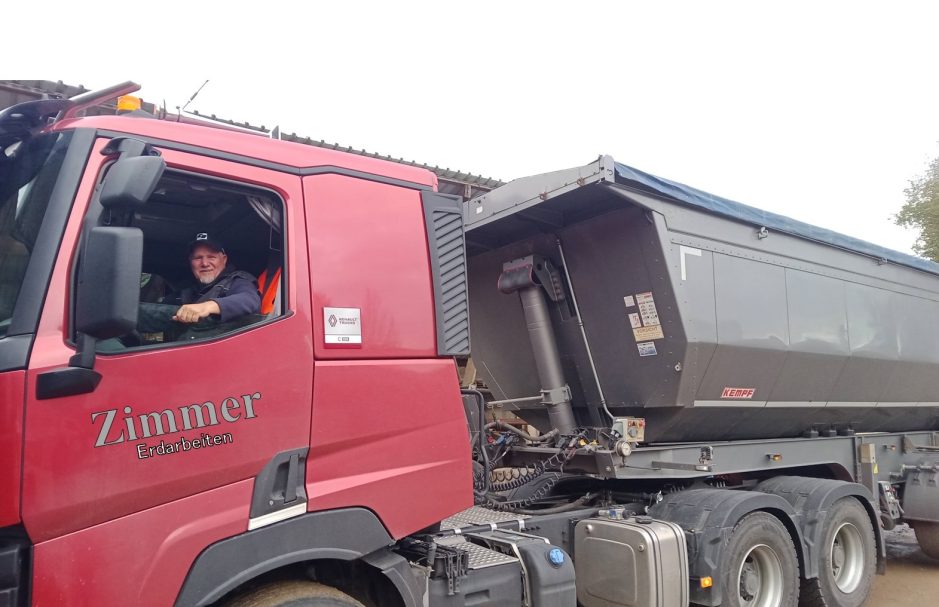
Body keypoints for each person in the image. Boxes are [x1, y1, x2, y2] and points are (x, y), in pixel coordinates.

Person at [173, 233, 260, 324]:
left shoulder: (237, 281)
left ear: (224, 259)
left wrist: (207, 306)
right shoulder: (185, 289)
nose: (205, 264)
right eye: (198, 258)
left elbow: (250, 300)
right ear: (190, 261)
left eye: (211, 257)